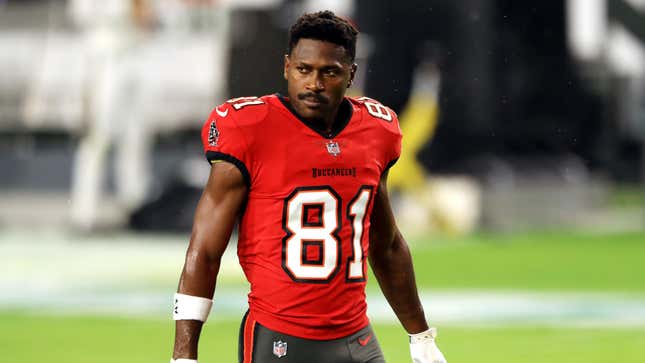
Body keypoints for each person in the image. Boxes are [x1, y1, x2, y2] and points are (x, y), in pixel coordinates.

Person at [171, 10, 447, 363]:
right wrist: (184, 355)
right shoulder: (249, 128)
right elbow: (206, 249)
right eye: (304, 70)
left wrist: (420, 337)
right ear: (287, 67)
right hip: (279, 338)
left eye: (329, 72)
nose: (314, 83)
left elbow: (387, 245)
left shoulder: (375, 131)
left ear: (351, 75)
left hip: (356, 338)